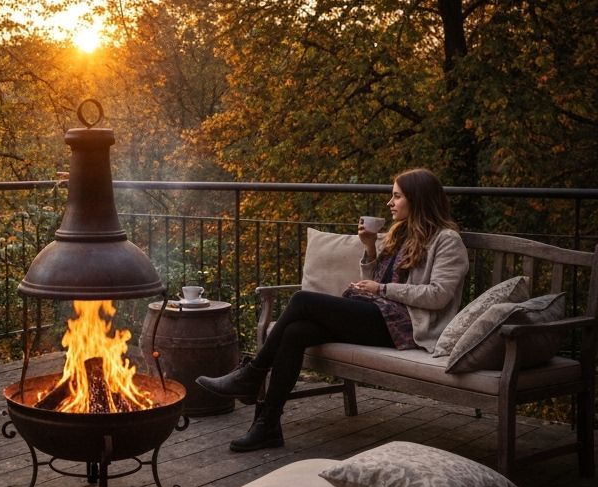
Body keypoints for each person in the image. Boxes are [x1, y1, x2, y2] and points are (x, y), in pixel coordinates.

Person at [197, 168, 469, 452]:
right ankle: (267, 425)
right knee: (296, 332)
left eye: (397, 196)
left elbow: (438, 296)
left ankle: (252, 374)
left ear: (418, 199)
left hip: (407, 327)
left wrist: (382, 290)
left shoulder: (447, 240)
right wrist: (370, 249)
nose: (390, 203)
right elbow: (379, 280)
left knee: (302, 301)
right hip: (381, 315)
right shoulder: (401, 234)